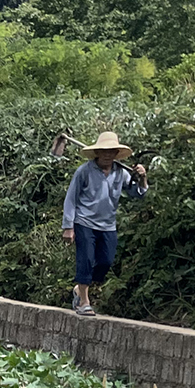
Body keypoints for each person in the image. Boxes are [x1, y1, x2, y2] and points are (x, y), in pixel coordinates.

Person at [62, 130, 149, 317]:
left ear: (116, 154)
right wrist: (68, 226)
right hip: (84, 221)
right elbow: (71, 198)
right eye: (105, 151)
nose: (108, 155)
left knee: (105, 261)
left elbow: (137, 194)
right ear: (98, 152)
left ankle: (79, 288)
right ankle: (84, 301)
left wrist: (142, 177)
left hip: (108, 224)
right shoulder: (84, 171)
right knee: (85, 258)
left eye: (112, 151)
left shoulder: (121, 172)